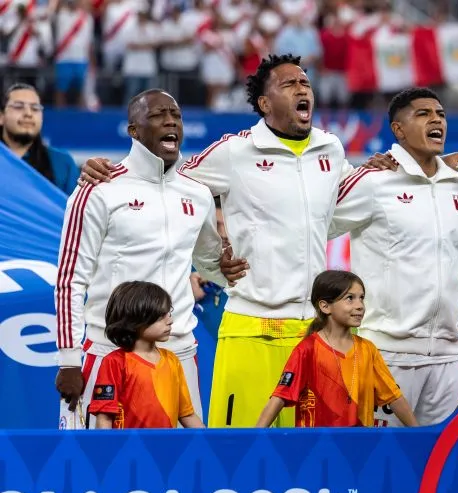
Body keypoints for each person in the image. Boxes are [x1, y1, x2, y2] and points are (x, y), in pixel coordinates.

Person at [79, 54, 358, 428]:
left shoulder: (332, 148)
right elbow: (170, 178)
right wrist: (112, 172)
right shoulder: (233, 151)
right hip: (249, 325)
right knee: (240, 453)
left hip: (314, 328)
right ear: (264, 103)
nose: (301, 88)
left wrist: (385, 166)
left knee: (312, 450)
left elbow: (349, 200)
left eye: (304, 83)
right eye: (289, 84)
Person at [54, 89, 219, 427]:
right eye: (159, 115)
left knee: (183, 472)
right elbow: (70, 279)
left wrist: (225, 266)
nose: (171, 121)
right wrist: (69, 360)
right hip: (109, 352)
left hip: (179, 354)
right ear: (134, 129)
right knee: (97, 472)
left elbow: (209, 261)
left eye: (176, 114)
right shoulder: (98, 189)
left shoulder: (198, 194)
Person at [331, 88, 458, 426]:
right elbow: (314, 225)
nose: (436, 119)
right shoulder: (373, 181)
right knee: (378, 463)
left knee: (439, 463)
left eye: (440, 113)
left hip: (446, 355)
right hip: (385, 353)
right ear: (398, 129)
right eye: (423, 114)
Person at [256, 270, 417, 428]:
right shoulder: (307, 349)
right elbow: (279, 397)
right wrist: (253, 441)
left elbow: (394, 398)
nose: (360, 306)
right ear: (325, 306)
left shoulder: (368, 349)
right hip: (316, 450)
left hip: (359, 450)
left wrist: (420, 435)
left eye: (361, 298)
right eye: (350, 298)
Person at [88, 281, 205, 429]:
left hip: (166, 451)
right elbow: (104, 418)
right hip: (128, 451)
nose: (170, 321)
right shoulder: (114, 363)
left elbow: (187, 415)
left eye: (168, 313)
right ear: (135, 320)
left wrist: (209, 446)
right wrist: (108, 452)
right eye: (160, 316)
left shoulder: (172, 360)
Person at [0, 84, 79, 195]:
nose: (28, 113)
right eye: (18, 107)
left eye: (35, 108)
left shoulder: (62, 163)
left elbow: (73, 210)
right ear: (1, 116)